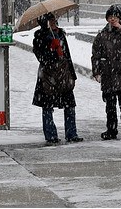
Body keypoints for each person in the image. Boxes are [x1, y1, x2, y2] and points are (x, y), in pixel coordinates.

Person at [32, 12, 83, 145]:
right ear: (44, 22)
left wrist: (72, 75)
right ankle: (51, 135)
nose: (54, 22)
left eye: (55, 19)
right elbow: (41, 57)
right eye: (50, 20)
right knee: (47, 106)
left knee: (70, 105)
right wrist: (51, 48)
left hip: (63, 75)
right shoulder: (39, 36)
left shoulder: (60, 34)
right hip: (48, 77)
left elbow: (67, 55)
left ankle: (71, 133)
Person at [91, 5, 121, 141]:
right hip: (108, 75)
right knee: (110, 105)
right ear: (107, 19)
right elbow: (95, 54)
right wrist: (96, 71)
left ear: (119, 18)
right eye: (110, 17)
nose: (113, 19)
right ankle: (111, 129)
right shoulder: (102, 35)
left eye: (115, 17)